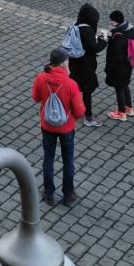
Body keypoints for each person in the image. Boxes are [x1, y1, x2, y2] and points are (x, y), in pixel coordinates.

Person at [31, 47, 85, 207]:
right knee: (68, 160)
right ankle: (68, 194)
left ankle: (49, 193)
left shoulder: (41, 77)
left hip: (47, 126)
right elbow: (79, 111)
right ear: (62, 64)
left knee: (48, 158)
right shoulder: (71, 84)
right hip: (66, 128)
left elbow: (36, 97)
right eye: (67, 62)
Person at [67, 4, 103, 128]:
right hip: (85, 65)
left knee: (75, 87)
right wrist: (103, 41)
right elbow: (94, 47)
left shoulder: (76, 25)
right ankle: (88, 117)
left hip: (74, 63)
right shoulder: (87, 31)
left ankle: (70, 108)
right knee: (87, 91)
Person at [104, 10, 134, 120]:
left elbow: (115, 53)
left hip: (120, 66)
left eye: (111, 20)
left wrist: (109, 68)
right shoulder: (128, 30)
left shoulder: (119, 36)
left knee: (119, 88)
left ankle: (121, 113)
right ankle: (129, 108)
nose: (110, 22)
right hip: (128, 64)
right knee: (125, 85)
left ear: (116, 21)